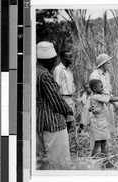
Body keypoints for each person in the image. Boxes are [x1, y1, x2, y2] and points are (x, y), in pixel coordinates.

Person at [36, 41, 74, 170]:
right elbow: (57, 101)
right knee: (60, 163)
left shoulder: (33, 71)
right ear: (49, 60)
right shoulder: (45, 75)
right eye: (53, 60)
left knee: (41, 162)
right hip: (52, 123)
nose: (54, 63)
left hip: (37, 122)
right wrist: (67, 111)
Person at [88, 79, 118, 157]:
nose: (102, 89)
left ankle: (105, 161)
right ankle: (94, 162)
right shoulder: (96, 97)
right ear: (95, 89)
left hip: (101, 123)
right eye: (101, 87)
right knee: (98, 144)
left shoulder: (96, 97)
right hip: (99, 124)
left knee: (103, 143)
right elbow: (110, 99)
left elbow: (91, 108)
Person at [89, 53, 118, 141]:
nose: (110, 65)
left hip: (108, 104)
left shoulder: (107, 74)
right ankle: (98, 150)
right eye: (108, 63)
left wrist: (115, 103)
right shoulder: (95, 75)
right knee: (100, 128)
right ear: (102, 64)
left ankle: (107, 148)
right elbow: (96, 93)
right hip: (99, 106)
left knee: (109, 125)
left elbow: (108, 92)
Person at [53, 50, 78, 155]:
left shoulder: (68, 70)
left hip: (70, 99)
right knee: (65, 125)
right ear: (62, 58)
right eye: (69, 57)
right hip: (63, 99)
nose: (71, 59)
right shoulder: (59, 70)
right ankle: (63, 151)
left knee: (70, 125)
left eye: (71, 56)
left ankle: (68, 150)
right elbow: (56, 87)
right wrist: (60, 103)